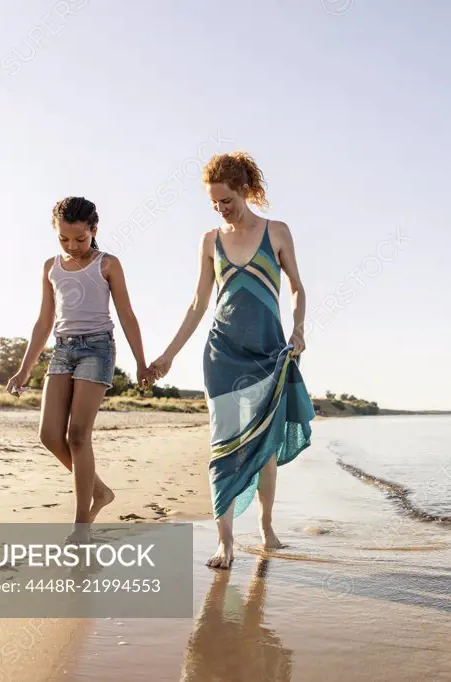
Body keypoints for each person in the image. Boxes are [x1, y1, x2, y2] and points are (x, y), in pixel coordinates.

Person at [149, 151, 315, 569]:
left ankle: (266, 526)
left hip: (268, 353)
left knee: (265, 448)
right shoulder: (210, 240)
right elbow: (198, 304)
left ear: (244, 190)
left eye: (227, 200)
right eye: (215, 203)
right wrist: (168, 355)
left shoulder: (276, 232)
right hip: (221, 356)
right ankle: (225, 540)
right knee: (222, 444)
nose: (222, 209)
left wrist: (298, 329)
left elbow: (297, 287)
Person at [6, 196, 152, 535]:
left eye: (80, 239)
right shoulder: (50, 268)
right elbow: (44, 322)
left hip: (98, 350)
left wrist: (142, 363)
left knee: (77, 436)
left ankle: (81, 524)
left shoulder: (108, 264)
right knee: (48, 435)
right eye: (64, 239)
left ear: (94, 230)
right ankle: (99, 491)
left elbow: (127, 316)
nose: (72, 246)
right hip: (62, 350)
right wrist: (24, 369)